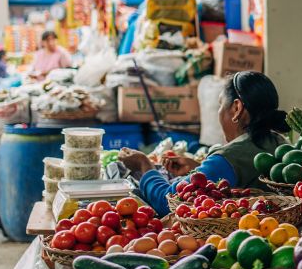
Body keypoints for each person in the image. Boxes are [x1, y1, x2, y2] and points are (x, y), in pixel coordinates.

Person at [118, 72, 289, 216]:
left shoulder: (228, 158)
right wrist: (200, 168)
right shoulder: (279, 142)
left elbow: (168, 203)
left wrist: (144, 165)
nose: (219, 112)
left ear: (236, 108)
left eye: (220, 105)